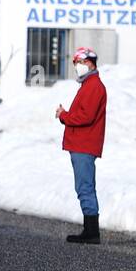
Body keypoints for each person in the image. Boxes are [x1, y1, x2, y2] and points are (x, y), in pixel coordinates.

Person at [55, 46, 107, 244]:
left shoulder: (94, 86)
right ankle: (89, 229)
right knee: (84, 186)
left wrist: (64, 116)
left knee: (85, 187)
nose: (76, 66)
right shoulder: (88, 85)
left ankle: (92, 232)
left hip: (84, 145)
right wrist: (66, 116)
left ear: (90, 63)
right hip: (81, 144)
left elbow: (86, 116)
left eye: (79, 62)